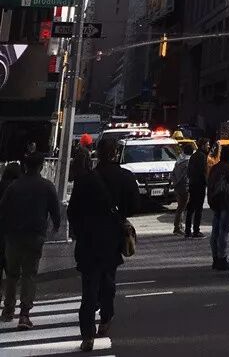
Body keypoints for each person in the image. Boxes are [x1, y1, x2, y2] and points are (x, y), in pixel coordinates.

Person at [68, 136, 139, 352]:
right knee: (108, 282)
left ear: (97, 153)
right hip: (112, 239)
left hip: (88, 240)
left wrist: (80, 231)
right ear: (115, 152)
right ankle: (106, 316)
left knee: (88, 290)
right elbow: (134, 207)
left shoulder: (84, 180)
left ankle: (87, 335)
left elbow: (72, 212)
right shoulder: (125, 177)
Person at [0, 153, 60, 330]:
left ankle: (8, 309)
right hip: (35, 235)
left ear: (25, 166)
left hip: (13, 236)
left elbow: (2, 209)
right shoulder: (46, 186)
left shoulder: (14, 186)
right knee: (29, 274)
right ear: (41, 166)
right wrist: (55, 226)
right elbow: (55, 210)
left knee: (12, 274)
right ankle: (24, 314)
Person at [207, 146, 229, 271]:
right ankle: (222, 258)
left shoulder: (215, 168)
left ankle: (215, 258)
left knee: (215, 232)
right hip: (227, 204)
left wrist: (211, 202)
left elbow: (209, 186)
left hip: (215, 203)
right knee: (223, 233)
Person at [0, 164, 21, 287]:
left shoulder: (1, 185)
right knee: (11, 268)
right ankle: (10, 294)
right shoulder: (17, 188)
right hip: (12, 232)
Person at [185, 138, 209, 238]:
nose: (208, 146)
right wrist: (207, 183)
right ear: (203, 145)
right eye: (207, 144)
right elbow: (203, 172)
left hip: (192, 184)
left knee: (191, 208)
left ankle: (187, 231)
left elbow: (189, 171)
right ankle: (196, 231)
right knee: (198, 209)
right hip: (199, 185)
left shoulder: (194, 156)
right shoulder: (202, 156)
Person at [171, 144, 191, 235]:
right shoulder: (188, 162)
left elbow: (173, 174)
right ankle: (177, 227)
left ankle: (179, 226)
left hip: (177, 187)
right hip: (184, 187)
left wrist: (174, 183)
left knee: (180, 207)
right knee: (181, 207)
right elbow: (185, 176)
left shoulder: (179, 160)